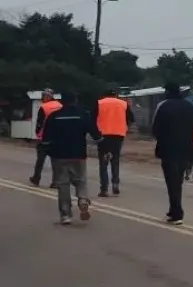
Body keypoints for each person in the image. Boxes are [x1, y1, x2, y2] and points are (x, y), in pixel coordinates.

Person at [40, 91, 102, 225]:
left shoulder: (54, 117)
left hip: (59, 155)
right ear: (76, 100)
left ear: (61, 102)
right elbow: (95, 134)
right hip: (78, 154)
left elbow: (46, 139)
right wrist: (102, 143)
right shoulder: (83, 115)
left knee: (63, 184)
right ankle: (83, 200)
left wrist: (49, 150)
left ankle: (65, 215)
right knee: (80, 180)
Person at [152, 82, 193, 225]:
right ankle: (174, 209)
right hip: (186, 148)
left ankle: (177, 213)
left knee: (171, 181)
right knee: (178, 181)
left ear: (167, 92)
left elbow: (155, 129)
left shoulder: (164, 106)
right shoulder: (190, 107)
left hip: (168, 149)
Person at [94, 87, 134, 197]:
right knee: (115, 160)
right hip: (118, 135)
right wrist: (125, 127)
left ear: (105, 95)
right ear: (116, 95)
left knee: (103, 162)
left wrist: (95, 134)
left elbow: (92, 119)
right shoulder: (123, 104)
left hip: (103, 136)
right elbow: (131, 119)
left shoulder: (99, 103)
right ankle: (115, 184)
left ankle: (104, 189)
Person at [29, 88, 62, 189]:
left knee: (40, 160)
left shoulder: (44, 107)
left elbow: (40, 123)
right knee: (56, 161)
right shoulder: (60, 106)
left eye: (44, 96)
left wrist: (37, 133)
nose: (42, 98)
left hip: (44, 137)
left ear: (48, 96)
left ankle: (36, 178)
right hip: (57, 138)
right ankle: (56, 181)